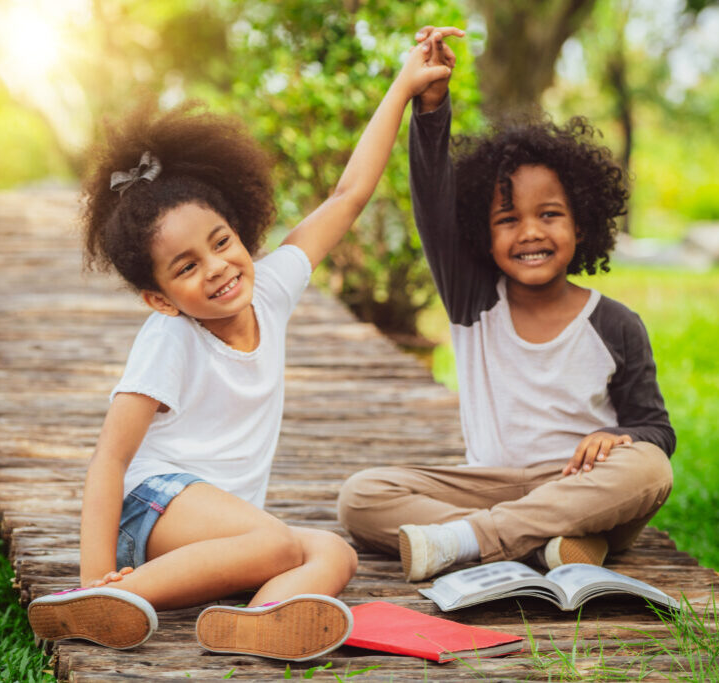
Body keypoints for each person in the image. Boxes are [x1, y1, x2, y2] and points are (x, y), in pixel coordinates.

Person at [26, 37, 453, 660]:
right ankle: (107, 601)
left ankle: (260, 621)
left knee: (334, 551)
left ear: (240, 230)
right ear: (161, 298)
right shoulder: (171, 337)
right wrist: (95, 575)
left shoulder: (272, 286)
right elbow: (110, 461)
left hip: (226, 534)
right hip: (149, 512)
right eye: (187, 266)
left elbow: (348, 195)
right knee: (279, 544)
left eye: (222, 242)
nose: (219, 268)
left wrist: (404, 87)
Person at [338, 27, 675, 583]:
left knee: (650, 468)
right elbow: (429, 196)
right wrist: (430, 107)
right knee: (362, 496)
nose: (529, 233)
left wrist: (621, 440)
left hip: (582, 491)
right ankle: (545, 548)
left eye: (549, 214)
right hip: (489, 482)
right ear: (480, 233)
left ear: (581, 221)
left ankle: (472, 539)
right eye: (507, 218)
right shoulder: (473, 298)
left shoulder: (615, 323)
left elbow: (655, 430)